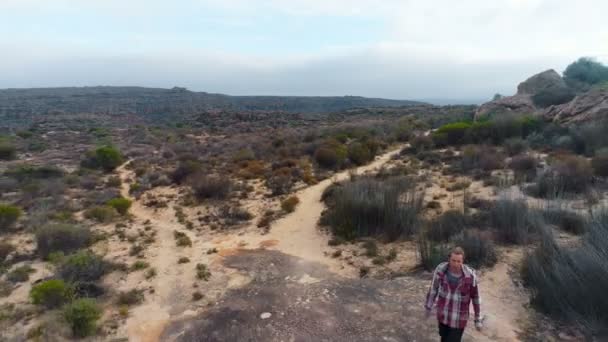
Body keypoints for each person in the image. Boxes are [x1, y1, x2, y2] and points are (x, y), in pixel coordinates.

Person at [424, 247, 482, 342]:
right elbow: (433, 289)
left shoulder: (470, 276)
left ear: (463, 261)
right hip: (443, 315)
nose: (455, 264)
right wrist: (428, 306)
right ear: (449, 259)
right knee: (443, 337)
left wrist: (477, 319)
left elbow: (476, 298)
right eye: (453, 260)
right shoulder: (440, 270)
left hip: (458, 319)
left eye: (459, 261)